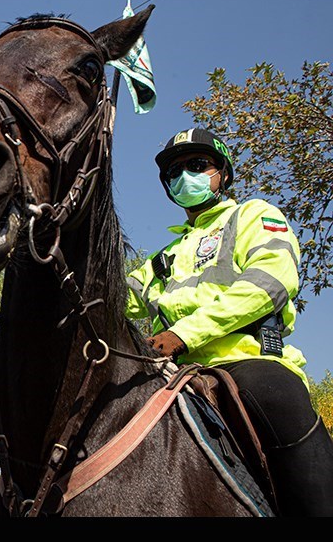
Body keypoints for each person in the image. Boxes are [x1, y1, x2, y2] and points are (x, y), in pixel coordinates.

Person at [126, 127, 333, 516]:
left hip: (246, 361)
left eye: (197, 165)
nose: (184, 176)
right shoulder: (160, 259)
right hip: (171, 374)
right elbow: (112, 301)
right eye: (174, 172)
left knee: (277, 396)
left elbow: (272, 281)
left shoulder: (253, 215)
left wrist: (183, 333)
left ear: (222, 173)